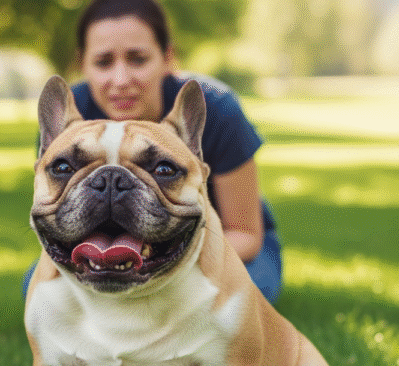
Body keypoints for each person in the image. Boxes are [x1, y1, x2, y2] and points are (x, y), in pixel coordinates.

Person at [24, 0, 282, 303]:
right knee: (37, 285)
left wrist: (175, 262)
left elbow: (245, 232)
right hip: (93, 239)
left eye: (138, 59)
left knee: (247, 291)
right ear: (83, 65)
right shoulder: (69, 120)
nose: (120, 80)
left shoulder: (217, 110)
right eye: (103, 62)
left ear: (167, 58)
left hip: (218, 238)